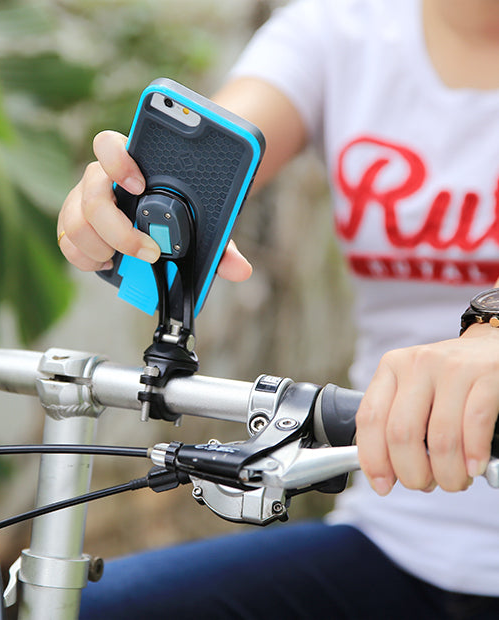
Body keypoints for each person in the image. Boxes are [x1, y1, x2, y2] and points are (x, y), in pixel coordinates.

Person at [57, 0, 499, 617]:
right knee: (85, 608)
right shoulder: (341, 27)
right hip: (399, 531)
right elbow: (226, 141)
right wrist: (132, 199)